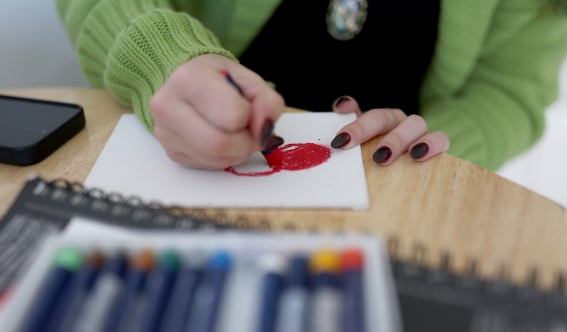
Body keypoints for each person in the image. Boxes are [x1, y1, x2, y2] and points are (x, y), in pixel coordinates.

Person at [56, 0, 567, 171]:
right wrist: (162, 58)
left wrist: (426, 143)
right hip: (185, 160)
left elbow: (510, 89)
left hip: (391, 205)